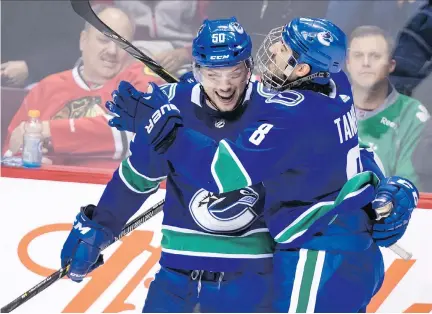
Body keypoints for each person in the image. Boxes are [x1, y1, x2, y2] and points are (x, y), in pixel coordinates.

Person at [60, 17, 418, 313]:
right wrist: (99, 226)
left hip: (251, 284)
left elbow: (334, 153)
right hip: (176, 281)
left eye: (234, 71)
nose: (226, 85)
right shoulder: (170, 106)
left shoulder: (279, 106)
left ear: (250, 66)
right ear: (195, 68)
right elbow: (137, 177)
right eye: (212, 73)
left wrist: (385, 189)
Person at [3, 5, 163, 169]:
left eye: (122, 43)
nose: (112, 51)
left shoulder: (142, 79)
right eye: (104, 40)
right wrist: (28, 157)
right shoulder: (46, 89)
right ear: (83, 41)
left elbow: (143, 128)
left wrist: (51, 131)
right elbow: (9, 156)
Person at [346, 25, 430, 189]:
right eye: (358, 56)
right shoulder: (325, 105)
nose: (365, 63)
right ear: (348, 63)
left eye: (375, 56)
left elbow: (405, 190)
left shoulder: (412, 116)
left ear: (391, 65)